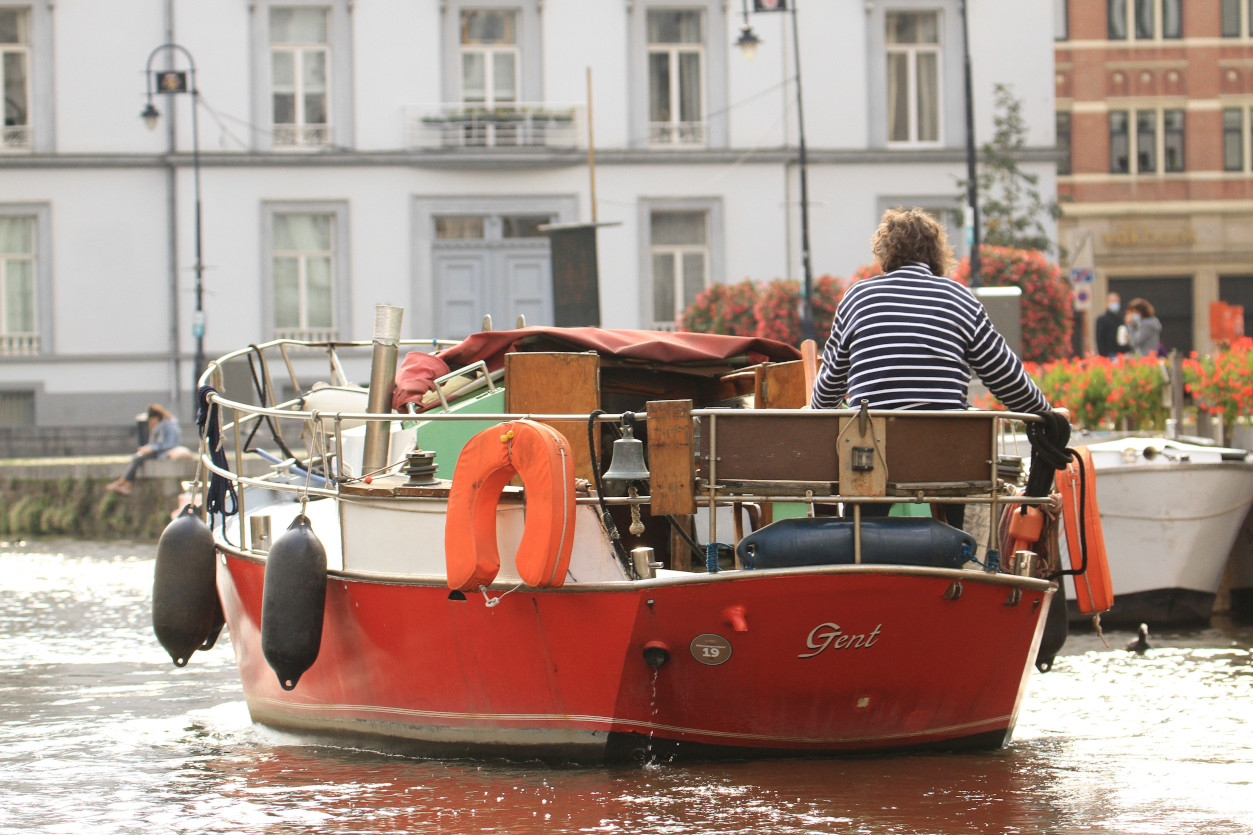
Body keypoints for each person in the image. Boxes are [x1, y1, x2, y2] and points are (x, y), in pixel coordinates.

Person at [810, 207, 1061, 525]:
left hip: (871, 453)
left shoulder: (858, 298)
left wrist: (818, 408)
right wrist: (1047, 416)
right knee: (953, 484)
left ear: (884, 254)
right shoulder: (959, 299)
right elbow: (1006, 377)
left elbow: (829, 385)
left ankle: (860, 553)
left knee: (862, 521)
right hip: (945, 454)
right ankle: (952, 555)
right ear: (936, 253)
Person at [106, 404, 190, 495]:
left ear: (155, 418)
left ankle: (125, 483)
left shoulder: (168, 426)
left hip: (165, 452)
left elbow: (169, 444)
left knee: (138, 458)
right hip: (158, 450)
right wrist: (146, 448)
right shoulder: (161, 425)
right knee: (138, 457)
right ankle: (124, 482)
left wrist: (152, 448)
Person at [1095, 292, 1125, 358]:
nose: (1116, 303)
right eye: (1113, 301)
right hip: (1108, 354)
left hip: (1121, 354)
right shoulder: (1102, 319)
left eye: (1117, 301)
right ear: (1107, 303)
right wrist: (1103, 355)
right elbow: (1099, 338)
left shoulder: (1121, 319)